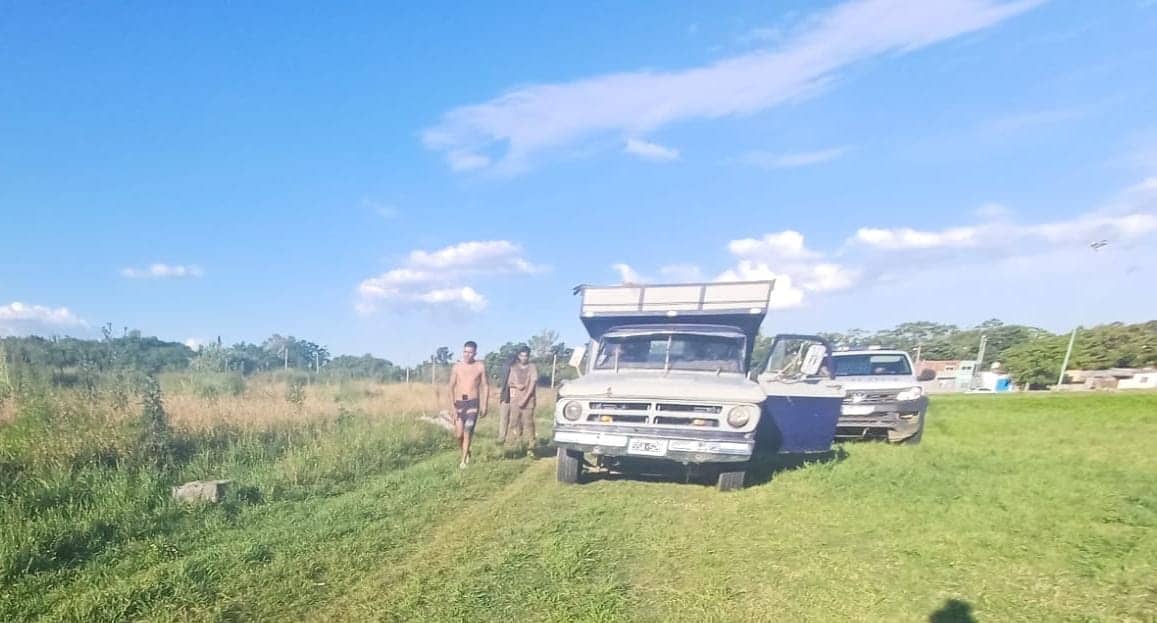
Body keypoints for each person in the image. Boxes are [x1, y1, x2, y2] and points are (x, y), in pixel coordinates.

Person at [447, 340, 489, 468]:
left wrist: (485, 404)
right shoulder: (457, 367)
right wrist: (452, 407)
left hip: (473, 403)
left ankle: (463, 460)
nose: (467, 354)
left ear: (475, 353)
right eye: (465, 351)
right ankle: (466, 451)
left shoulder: (479, 366)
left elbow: (485, 386)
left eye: (470, 352)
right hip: (459, 403)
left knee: (468, 430)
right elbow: (450, 387)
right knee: (458, 434)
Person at [505, 346, 539, 450]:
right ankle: (516, 444)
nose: (524, 358)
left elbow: (533, 383)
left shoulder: (532, 367)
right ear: (519, 356)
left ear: (529, 356)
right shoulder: (514, 367)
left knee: (528, 422)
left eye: (526, 356)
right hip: (515, 399)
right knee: (514, 422)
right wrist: (516, 384)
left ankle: (531, 445)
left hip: (528, 400)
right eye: (522, 355)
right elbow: (509, 382)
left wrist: (525, 399)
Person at [495, 352, 515, 445]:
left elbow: (503, 384)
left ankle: (503, 438)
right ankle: (506, 438)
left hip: (507, 397)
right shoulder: (510, 368)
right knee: (509, 420)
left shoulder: (505, 367)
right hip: (509, 397)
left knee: (505, 419)